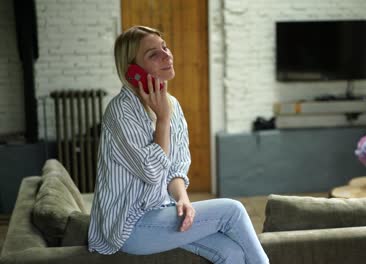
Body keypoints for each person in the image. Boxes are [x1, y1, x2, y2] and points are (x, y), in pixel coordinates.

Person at [88, 25, 269, 264]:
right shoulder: (121, 111)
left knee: (231, 252)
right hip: (129, 226)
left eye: (164, 47)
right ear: (133, 71)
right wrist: (162, 120)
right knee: (232, 211)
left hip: (162, 212)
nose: (167, 55)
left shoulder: (172, 104)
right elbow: (153, 172)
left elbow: (175, 168)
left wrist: (182, 198)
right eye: (153, 54)